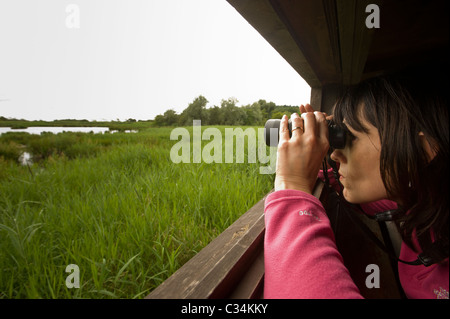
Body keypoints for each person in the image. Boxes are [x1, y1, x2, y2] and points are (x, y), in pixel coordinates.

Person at [264, 69, 449, 299]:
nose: (335, 155)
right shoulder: (420, 198)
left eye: (350, 139)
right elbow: (340, 181)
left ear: (423, 150)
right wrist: (317, 146)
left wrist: (291, 185)